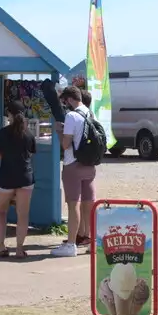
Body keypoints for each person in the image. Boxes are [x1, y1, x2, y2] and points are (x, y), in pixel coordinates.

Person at [0, 101, 37, 257]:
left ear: (9, 114)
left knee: (1, 211)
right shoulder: (29, 134)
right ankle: (19, 249)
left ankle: (2, 246)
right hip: (25, 177)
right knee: (22, 215)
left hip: (6, 177)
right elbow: (32, 153)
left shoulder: (2, 133)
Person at [59, 85, 100, 250]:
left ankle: (71, 245)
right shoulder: (90, 113)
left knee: (73, 203)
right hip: (90, 164)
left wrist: (59, 132)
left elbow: (66, 144)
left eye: (65, 101)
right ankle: (91, 240)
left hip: (73, 164)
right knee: (89, 203)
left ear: (69, 99)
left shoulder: (71, 116)